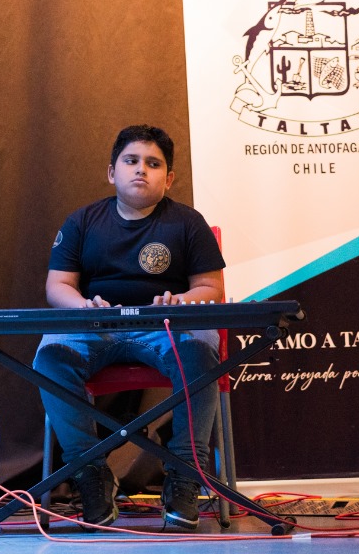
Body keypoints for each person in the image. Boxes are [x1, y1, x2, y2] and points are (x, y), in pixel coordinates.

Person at [33, 125, 225, 531]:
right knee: (50, 355)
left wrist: (180, 301)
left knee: (201, 349)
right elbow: (58, 285)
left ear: (168, 178)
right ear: (111, 172)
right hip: (97, 325)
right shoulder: (82, 220)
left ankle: (186, 473)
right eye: (131, 161)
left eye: (153, 164)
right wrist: (84, 306)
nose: (142, 170)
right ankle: (90, 472)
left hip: (166, 327)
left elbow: (211, 288)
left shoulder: (189, 222)